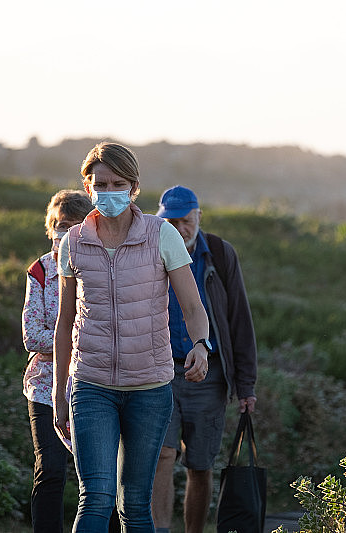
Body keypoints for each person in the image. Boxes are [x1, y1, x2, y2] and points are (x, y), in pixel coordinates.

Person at [53, 142, 211, 532]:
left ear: (134, 187)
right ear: (87, 188)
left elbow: (192, 306)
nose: (108, 192)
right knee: (95, 499)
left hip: (150, 388)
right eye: (100, 184)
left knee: (135, 505)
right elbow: (65, 320)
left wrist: (201, 346)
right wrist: (60, 391)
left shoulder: (162, 236)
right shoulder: (73, 243)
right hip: (92, 386)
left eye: (117, 184)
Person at [152, 185, 258, 533]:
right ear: (160, 219)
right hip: (159, 372)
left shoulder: (221, 254)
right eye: (171, 221)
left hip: (208, 376)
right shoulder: (149, 249)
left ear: (198, 217)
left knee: (200, 465)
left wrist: (246, 385)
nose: (180, 228)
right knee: (162, 456)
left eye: (186, 220)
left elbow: (239, 319)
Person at [22, 189, 94, 533]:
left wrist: (63, 335)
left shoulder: (98, 265)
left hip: (91, 383)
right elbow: (31, 336)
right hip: (44, 386)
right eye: (60, 225)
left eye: (74, 225)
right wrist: (70, 336)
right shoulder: (39, 270)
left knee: (97, 475)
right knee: (50, 469)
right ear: (51, 228)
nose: (65, 232)